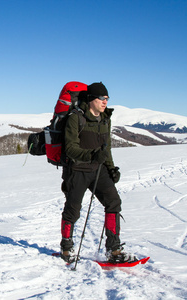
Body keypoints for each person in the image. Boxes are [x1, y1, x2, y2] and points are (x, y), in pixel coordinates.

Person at [59, 82, 135, 263]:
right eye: (102, 98)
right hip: (77, 171)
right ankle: (66, 248)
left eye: (107, 99)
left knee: (113, 202)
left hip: (98, 170)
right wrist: (93, 155)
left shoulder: (105, 119)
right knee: (72, 210)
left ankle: (114, 249)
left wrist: (111, 167)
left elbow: (105, 149)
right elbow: (70, 148)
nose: (105, 102)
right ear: (91, 99)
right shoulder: (75, 118)